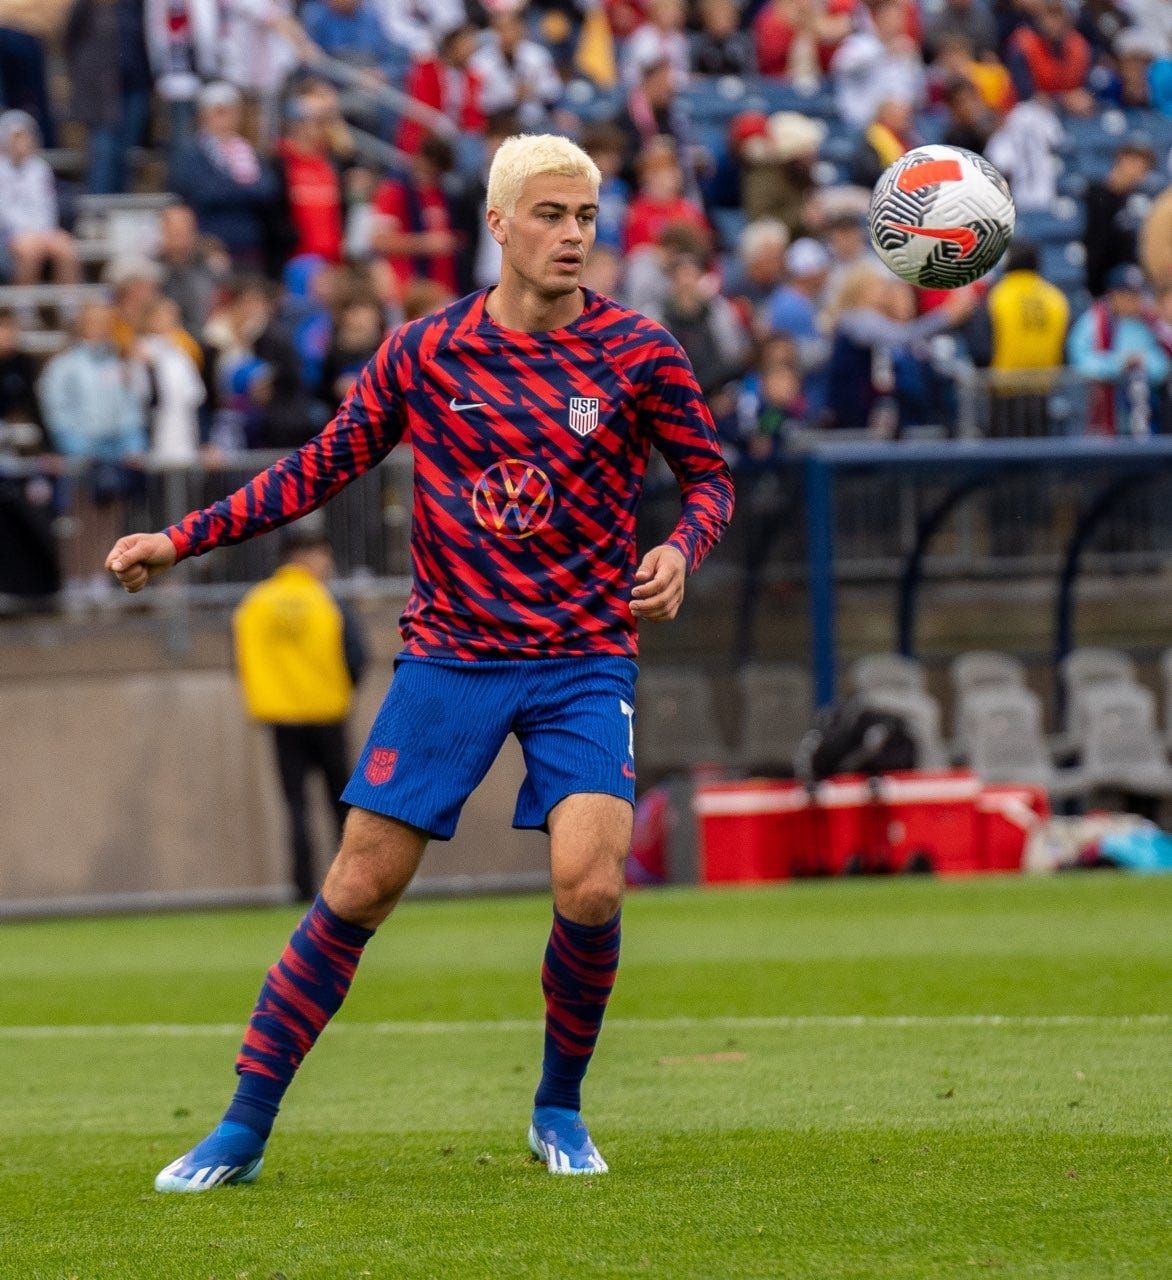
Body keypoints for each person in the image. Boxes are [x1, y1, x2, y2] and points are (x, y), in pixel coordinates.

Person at [104, 132, 734, 1187]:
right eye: (549, 214)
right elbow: (316, 469)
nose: (572, 234)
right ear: (497, 223)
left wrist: (680, 544)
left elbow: (710, 476)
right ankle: (242, 1125)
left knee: (589, 882)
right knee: (358, 883)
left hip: (582, 654)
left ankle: (557, 1107)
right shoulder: (424, 352)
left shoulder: (638, 353)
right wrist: (182, 537)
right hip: (450, 656)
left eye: (585, 216)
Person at [233, 520, 367, 903]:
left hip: (281, 717)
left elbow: (244, 658)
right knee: (343, 805)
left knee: (296, 807)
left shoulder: (256, 602)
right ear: (306, 557)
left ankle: (302, 887)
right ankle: (352, 886)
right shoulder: (328, 601)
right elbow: (355, 656)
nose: (327, 564)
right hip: (327, 712)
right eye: (323, 556)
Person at [1068, 262, 1171, 436]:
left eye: (1137, 294)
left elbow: (1164, 360)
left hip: (1147, 409)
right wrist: (1117, 364)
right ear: (1113, 295)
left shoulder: (1150, 322)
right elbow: (1079, 359)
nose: (1134, 300)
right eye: (1127, 294)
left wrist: (1143, 363)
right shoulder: (1094, 321)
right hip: (1103, 411)